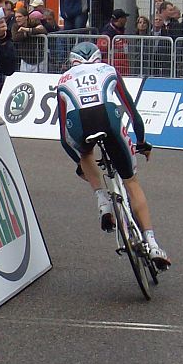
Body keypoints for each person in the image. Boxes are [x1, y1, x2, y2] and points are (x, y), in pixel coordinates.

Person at [56, 41, 170, 266]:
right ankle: (153, 244)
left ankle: (102, 201)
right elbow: (132, 111)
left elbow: (63, 138)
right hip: (108, 117)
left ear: (72, 61)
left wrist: (81, 166)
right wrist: (142, 142)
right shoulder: (108, 70)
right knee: (131, 181)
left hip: (78, 124)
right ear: (98, 58)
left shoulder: (62, 80)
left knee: (85, 152)